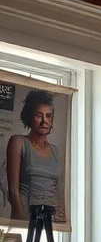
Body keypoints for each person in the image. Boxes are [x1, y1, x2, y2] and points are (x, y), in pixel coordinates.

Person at [6, 88, 61, 221]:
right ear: (29, 117)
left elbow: (55, 189)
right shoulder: (18, 142)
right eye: (39, 115)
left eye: (48, 116)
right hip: (26, 220)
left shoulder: (55, 150)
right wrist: (24, 224)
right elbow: (13, 191)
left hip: (50, 223)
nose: (44, 121)